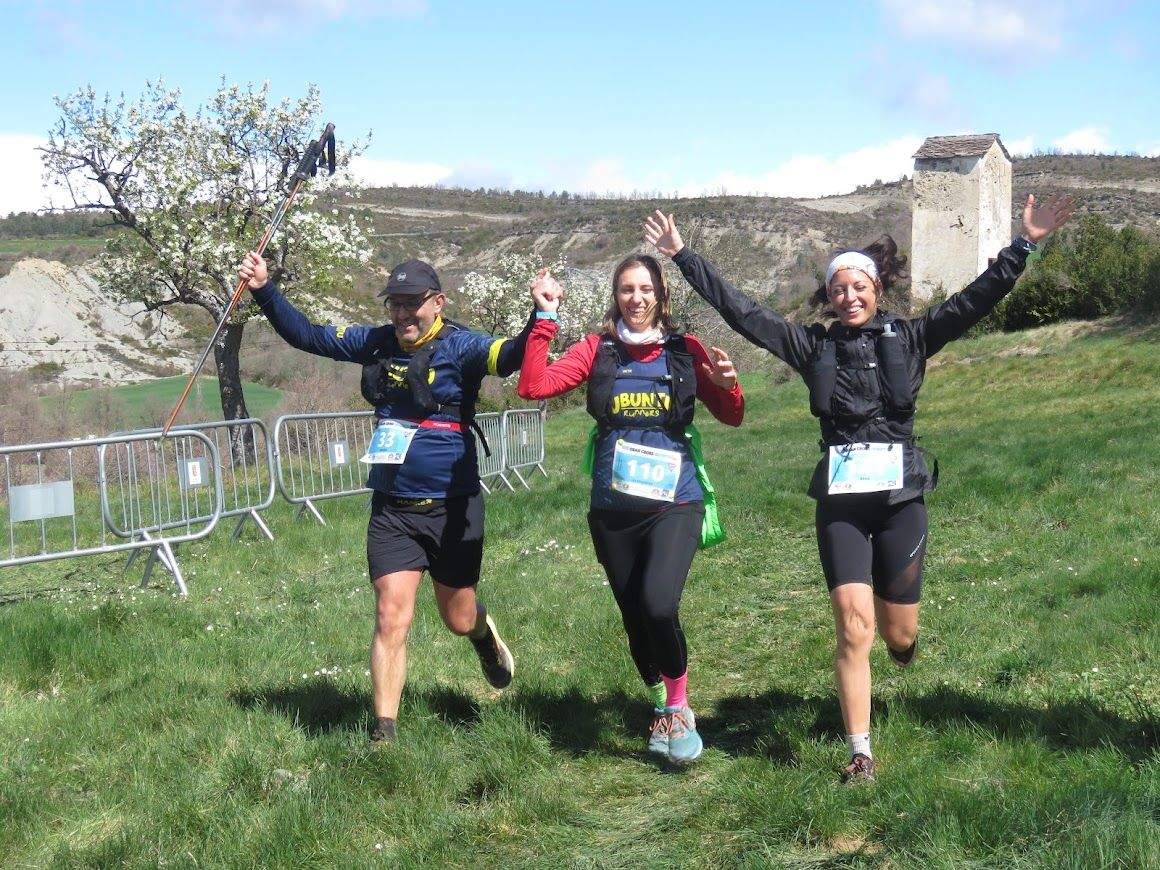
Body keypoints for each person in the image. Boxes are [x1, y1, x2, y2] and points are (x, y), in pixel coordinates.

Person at [644, 194, 1074, 781]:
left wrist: (1023, 244)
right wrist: (683, 256)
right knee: (853, 623)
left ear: (877, 289)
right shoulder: (811, 346)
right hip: (842, 507)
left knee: (898, 633)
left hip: (900, 505)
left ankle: (900, 647)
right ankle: (860, 751)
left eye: (859, 287)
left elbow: (975, 301)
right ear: (829, 294)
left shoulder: (913, 337)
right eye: (839, 288)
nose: (849, 297)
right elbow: (743, 311)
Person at [238, 252, 534, 743]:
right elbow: (309, 335)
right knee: (390, 615)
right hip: (392, 508)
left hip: (452, 509)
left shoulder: (461, 347)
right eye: (393, 305)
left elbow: (511, 357)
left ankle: (483, 635)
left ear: (437, 303)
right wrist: (266, 290)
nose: (400, 316)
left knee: (457, 618)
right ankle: (385, 734)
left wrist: (540, 314)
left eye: (411, 305)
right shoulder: (376, 343)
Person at [517, 254, 744, 764]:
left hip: (675, 501)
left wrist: (729, 387)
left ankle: (680, 708)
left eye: (646, 289)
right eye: (626, 290)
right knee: (636, 618)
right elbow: (533, 386)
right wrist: (545, 318)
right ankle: (662, 697)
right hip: (614, 509)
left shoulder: (685, 350)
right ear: (616, 297)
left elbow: (731, 415)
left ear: (661, 295)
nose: (636, 299)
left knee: (659, 603)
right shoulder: (598, 349)